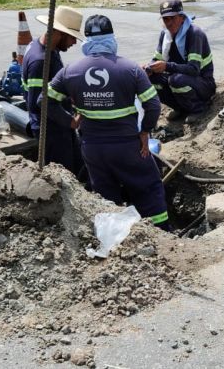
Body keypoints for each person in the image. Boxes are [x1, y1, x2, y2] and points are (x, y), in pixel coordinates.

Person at [43, 15, 172, 232]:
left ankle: (112, 236)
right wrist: (145, 132)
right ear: (112, 39)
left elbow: (44, 102)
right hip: (129, 147)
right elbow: (153, 105)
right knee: (148, 188)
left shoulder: (70, 71)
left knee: (105, 194)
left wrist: (71, 122)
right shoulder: (131, 69)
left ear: (87, 41)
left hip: (93, 149)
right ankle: (163, 235)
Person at [22, 6, 83, 172]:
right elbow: (38, 103)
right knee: (63, 173)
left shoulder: (49, 50)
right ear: (59, 33)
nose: (74, 42)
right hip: (50, 130)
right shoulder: (40, 61)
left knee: (77, 165)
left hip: (59, 123)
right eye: (72, 37)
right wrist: (69, 121)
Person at [144, 0, 216, 124]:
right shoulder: (165, 35)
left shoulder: (194, 34)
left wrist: (167, 66)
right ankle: (180, 108)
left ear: (182, 17)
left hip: (202, 83)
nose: (169, 23)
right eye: (166, 19)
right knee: (151, 79)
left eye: (173, 18)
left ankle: (198, 109)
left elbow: (194, 69)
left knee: (176, 80)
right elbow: (157, 59)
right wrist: (148, 67)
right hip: (180, 78)